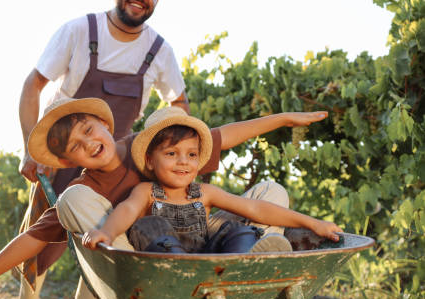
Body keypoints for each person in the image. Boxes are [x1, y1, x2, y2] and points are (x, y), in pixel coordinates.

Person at [0, 97, 329, 299]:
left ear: (104, 123)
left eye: (89, 130)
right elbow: (29, 240)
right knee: (76, 204)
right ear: (65, 161)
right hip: (161, 266)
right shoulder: (87, 189)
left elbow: (221, 137)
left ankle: (251, 277)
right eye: (75, 147)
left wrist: (283, 119)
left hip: (212, 250)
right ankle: (201, 280)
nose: (88, 143)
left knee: (270, 191)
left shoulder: (150, 147)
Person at [13, 0, 188, 299]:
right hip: (63, 152)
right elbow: (31, 86)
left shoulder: (160, 50)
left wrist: (169, 158)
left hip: (117, 158)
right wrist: (29, 149)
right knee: (40, 236)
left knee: (105, 245)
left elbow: (179, 106)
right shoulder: (79, 31)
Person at [80, 107, 341, 254]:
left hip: (206, 260)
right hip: (166, 265)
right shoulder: (146, 191)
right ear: (150, 160)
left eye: (191, 155)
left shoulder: (204, 192)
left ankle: (245, 261)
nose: (183, 162)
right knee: (151, 224)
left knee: (238, 230)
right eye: (171, 154)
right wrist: (107, 232)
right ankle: (185, 267)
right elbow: (126, 211)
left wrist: (313, 223)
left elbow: (255, 209)